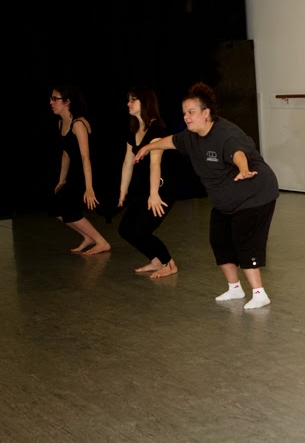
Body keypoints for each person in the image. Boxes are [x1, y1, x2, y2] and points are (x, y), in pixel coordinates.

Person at [135, 83, 279, 309]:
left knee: (243, 240)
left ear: (206, 113)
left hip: (255, 195)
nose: (186, 117)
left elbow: (238, 154)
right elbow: (171, 141)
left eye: (191, 112)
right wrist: (147, 148)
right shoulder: (190, 136)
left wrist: (243, 169)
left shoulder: (225, 134)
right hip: (226, 200)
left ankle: (259, 293)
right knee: (219, 240)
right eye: (184, 112)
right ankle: (235, 288)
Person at [117, 88, 178, 278]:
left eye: (133, 100)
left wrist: (154, 194)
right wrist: (122, 192)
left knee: (141, 230)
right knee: (125, 230)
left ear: (145, 103)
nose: (128, 103)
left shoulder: (156, 128)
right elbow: (128, 162)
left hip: (161, 188)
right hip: (144, 188)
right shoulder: (134, 130)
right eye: (128, 100)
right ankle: (156, 260)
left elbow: (155, 164)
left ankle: (169, 264)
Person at [48, 85, 111, 255]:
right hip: (76, 173)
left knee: (69, 209)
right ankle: (88, 237)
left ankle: (101, 242)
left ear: (67, 102)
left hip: (89, 172)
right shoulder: (61, 122)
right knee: (54, 206)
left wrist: (89, 188)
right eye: (51, 98)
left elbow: (85, 158)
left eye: (55, 99)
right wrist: (61, 180)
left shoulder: (78, 124)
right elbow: (66, 153)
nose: (51, 102)